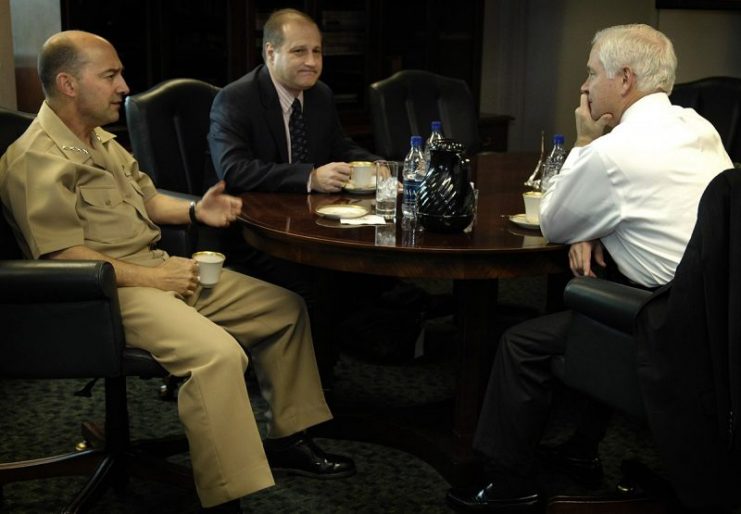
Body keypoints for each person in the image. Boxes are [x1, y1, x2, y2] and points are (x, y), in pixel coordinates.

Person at [0, 30, 354, 514]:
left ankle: (288, 436)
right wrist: (151, 279)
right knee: (218, 355)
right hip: (104, 292)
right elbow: (62, 257)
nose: (124, 86)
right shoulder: (33, 159)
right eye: (110, 76)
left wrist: (195, 213)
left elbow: (146, 198)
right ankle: (231, 492)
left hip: (157, 268)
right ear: (68, 83)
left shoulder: (100, 140)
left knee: (284, 309)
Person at [446, 24, 733, 512]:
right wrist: (594, 225)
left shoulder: (612, 152)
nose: (584, 86)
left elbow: (554, 222)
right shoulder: (697, 126)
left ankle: (507, 483)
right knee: (601, 289)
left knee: (524, 343)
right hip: (722, 315)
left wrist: (582, 141)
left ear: (623, 79)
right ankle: (580, 450)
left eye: (591, 73)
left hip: (672, 335)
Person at [207, 8, 392, 380]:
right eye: (299, 52)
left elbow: (341, 145)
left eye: (318, 52)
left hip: (315, 223)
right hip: (252, 233)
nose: (312, 62)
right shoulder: (235, 99)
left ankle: (326, 357)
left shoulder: (320, 95)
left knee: (370, 274)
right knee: (312, 288)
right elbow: (234, 169)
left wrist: (376, 165)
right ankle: (311, 384)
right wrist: (310, 177)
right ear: (270, 53)